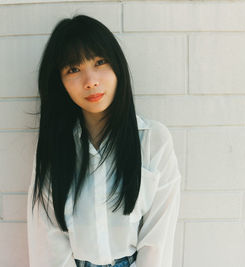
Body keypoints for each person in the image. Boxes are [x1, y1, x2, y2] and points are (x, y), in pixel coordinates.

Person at [26, 14, 181, 267]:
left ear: (117, 67)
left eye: (99, 62)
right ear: (60, 82)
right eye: (73, 69)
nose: (91, 81)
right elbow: (47, 235)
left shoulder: (153, 140)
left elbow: (158, 239)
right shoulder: (54, 148)